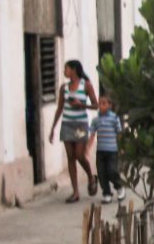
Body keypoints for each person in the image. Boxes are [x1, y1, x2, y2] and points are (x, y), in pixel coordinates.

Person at [49, 60, 98, 203]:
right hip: (67, 124)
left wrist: (81, 104)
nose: (64, 71)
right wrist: (53, 128)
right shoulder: (64, 88)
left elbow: (95, 105)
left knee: (79, 155)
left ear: (74, 70)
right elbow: (59, 108)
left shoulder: (86, 85)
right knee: (70, 157)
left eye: (66, 69)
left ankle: (90, 176)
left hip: (80, 125)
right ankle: (75, 191)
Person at [88, 96, 125, 204]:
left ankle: (119, 187)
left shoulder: (114, 118)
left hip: (112, 150)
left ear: (109, 105)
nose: (101, 106)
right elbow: (92, 134)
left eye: (104, 103)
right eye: (99, 103)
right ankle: (106, 193)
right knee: (101, 173)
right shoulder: (95, 120)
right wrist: (88, 147)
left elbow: (119, 134)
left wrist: (121, 147)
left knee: (112, 170)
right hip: (100, 151)